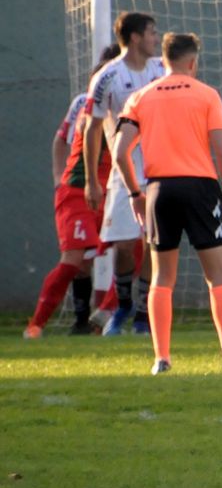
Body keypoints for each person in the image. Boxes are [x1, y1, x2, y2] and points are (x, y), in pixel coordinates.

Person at [110, 32, 222, 374]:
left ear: (165, 58)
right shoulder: (206, 95)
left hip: (159, 190)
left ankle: (161, 359)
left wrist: (135, 193)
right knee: (217, 275)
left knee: (162, 277)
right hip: (200, 188)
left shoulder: (142, 97)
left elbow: (119, 152)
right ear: (193, 61)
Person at [24, 45, 122, 338]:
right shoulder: (83, 103)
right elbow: (59, 140)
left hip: (114, 190)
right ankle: (37, 325)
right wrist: (58, 178)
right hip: (78, 189)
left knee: (136, 249)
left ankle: (101, 316)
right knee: (74, 261)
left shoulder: (131, 101)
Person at [83, 12, 164, 336]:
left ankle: (144, 313)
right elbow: (91, 129)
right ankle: (124, 305)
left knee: (153, 240)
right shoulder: (107, 76)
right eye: (151, 33)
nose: (156, 38)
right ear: (134, 38)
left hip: (160, 167)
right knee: (124, 243)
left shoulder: (161, 70)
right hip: (124, 169)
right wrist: (92, 180)